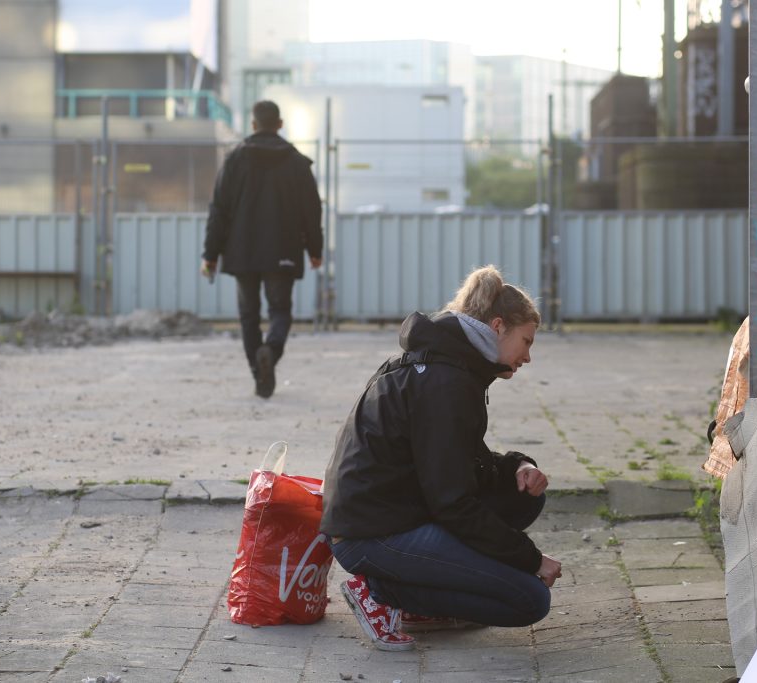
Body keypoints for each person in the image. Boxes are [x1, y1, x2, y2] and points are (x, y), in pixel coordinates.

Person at [320, 265, 562, 651]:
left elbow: (459, 460)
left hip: (397, 510)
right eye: (526, 341)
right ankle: (380, 592)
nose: (528, 357)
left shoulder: (451, 366)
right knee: (529, 599)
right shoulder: (445, 381)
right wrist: (531, 560)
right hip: (372, 534)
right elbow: (453, 502)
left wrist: (519, 466)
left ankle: (421, 599)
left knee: (523, 496)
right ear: (498, 327)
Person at [201, 100, 323, 398]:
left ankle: (260, 376)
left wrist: (210, 254)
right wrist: (315, 249)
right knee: (280, 310)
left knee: (249, 316)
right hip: (283, 249)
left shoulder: (234, 160)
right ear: (280, 124)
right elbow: (312, 210)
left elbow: (219, 210)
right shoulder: (297, 163)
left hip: (242, 251)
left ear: (253, 125)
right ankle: (271, 350)